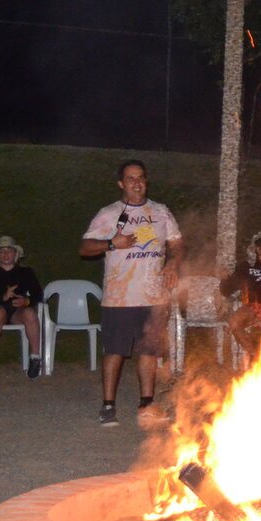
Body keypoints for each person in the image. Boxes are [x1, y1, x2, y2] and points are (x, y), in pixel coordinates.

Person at [80, 159, 184, 429]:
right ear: (121, 184)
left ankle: (146, 404)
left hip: (154, 296)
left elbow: (176, 243)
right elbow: (85, 248)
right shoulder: (109, 213)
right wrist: (111, 243)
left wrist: (173, 263)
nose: (137, 183)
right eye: (130, 178)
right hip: (120, 296)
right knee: (115, 351)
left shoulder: (160, 211)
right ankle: (108, 406)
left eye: (141, 178)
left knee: (149, 351)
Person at [0, 235, 44, 379]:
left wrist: (26, 301)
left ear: (16, 254)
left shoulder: (26, 272)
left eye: (9, 251)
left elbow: (38, 294)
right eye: (2, 251)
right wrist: (3, 297)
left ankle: (35, 357)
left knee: (30, 313)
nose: (6, 254)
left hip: (17, 312)